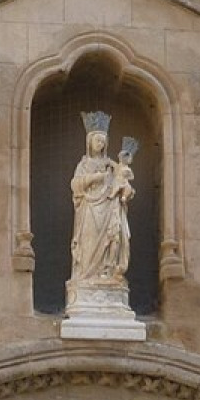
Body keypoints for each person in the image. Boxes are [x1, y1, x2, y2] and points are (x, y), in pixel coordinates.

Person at [69, 115, 134, 288]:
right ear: (89, 142)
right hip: (89, 208)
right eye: (97, 140)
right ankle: (85, 276)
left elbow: (122, 181)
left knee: (111, 240)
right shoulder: (84, 164)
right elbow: (75, 184)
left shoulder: (111, 165)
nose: (100, 144)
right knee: (88, 242)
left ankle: (107, 272)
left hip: (108, 206)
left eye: (103, 141)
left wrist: (124, 189)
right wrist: (95, 177)